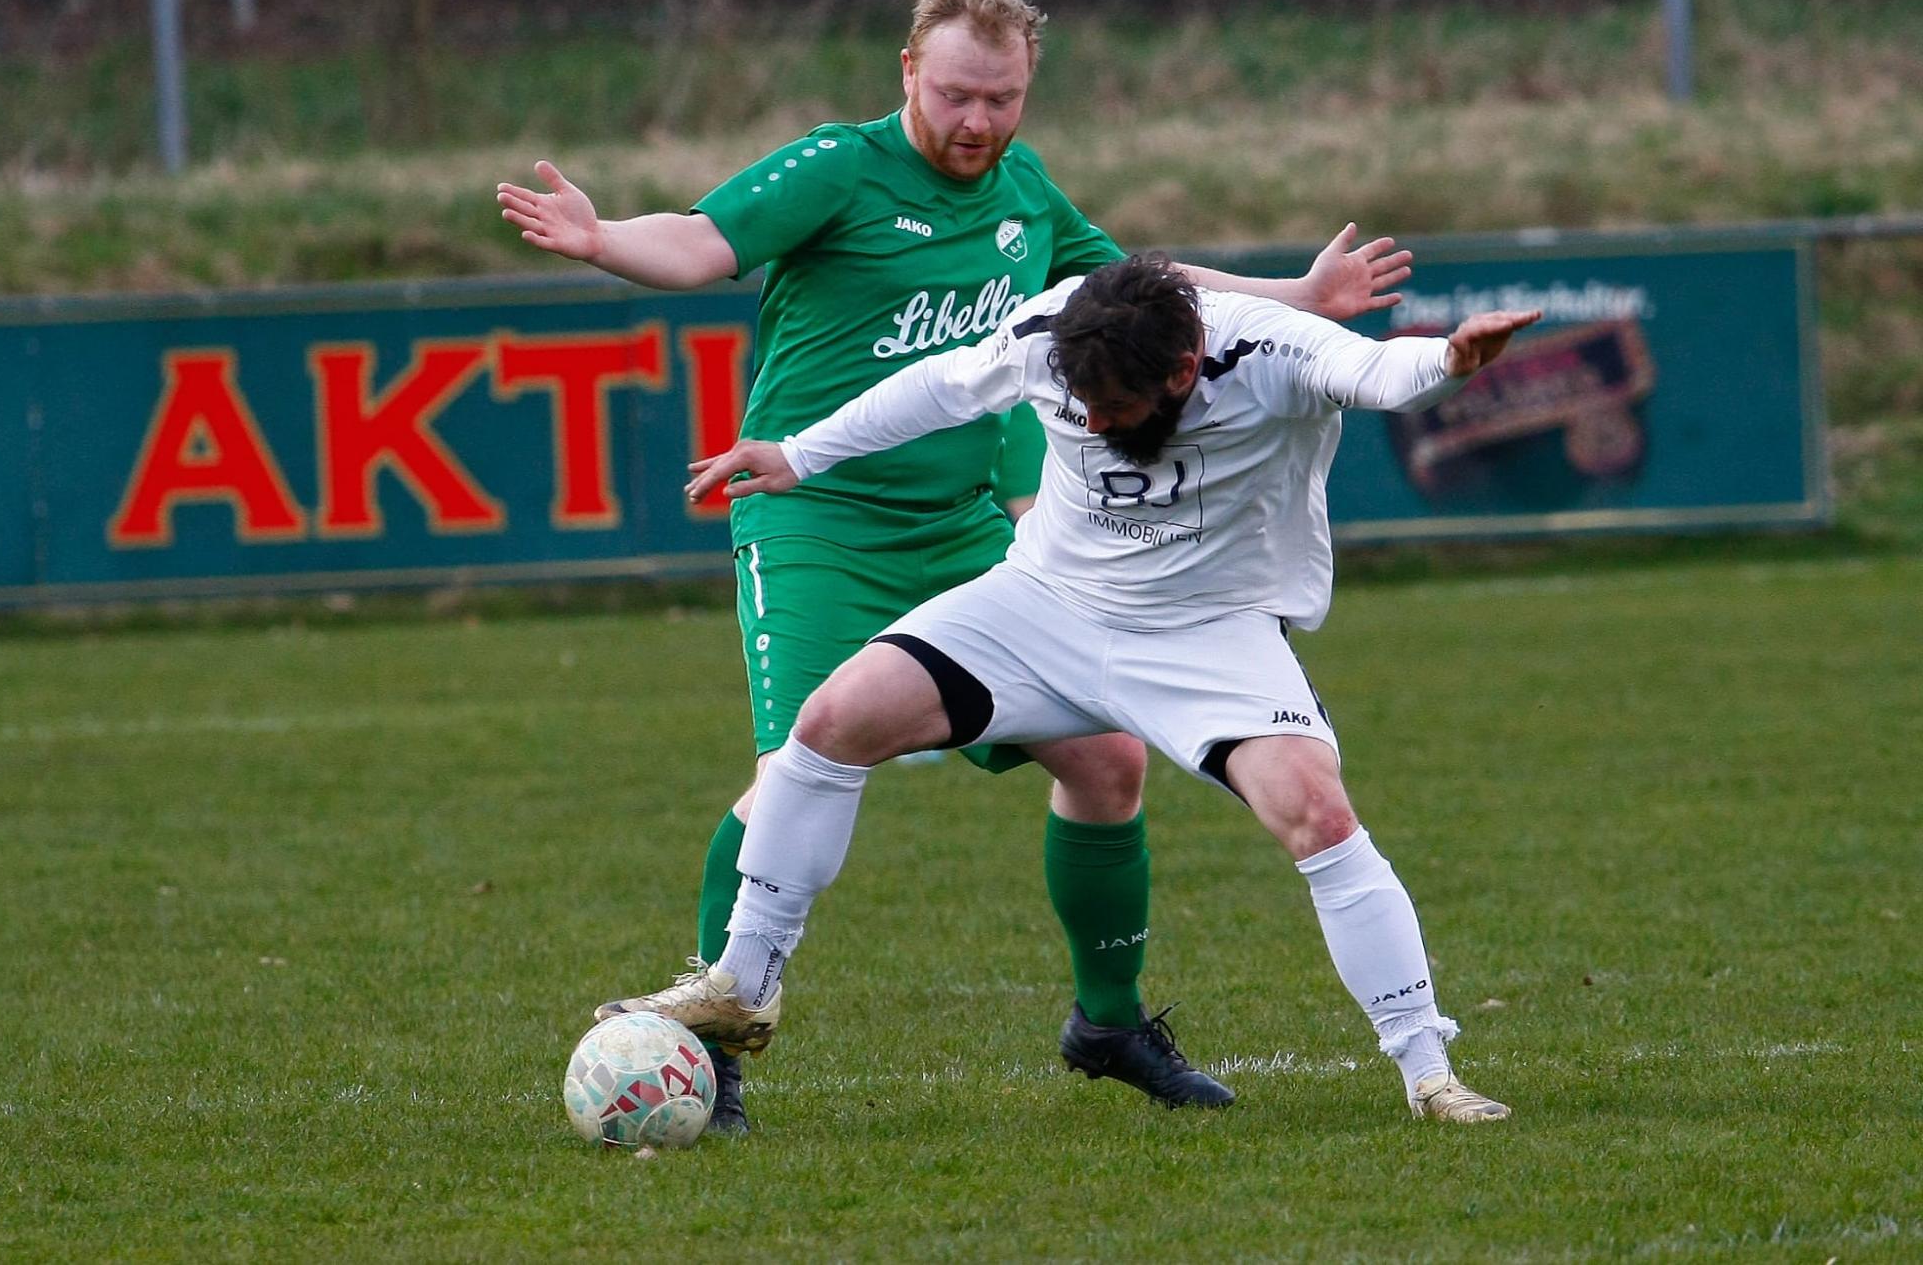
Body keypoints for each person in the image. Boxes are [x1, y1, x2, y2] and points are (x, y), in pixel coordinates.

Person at [498, 0, 1412, 1130]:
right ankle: (717, 1044)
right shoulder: (838, 167)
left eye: (1000, 98)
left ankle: (1108, 1023)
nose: (977, 121)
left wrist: (1295, 292)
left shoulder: (1023, 189)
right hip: (817, 524)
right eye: (954, 95)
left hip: (965, 528)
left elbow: (1137, 287)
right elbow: (697, 241)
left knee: (1107, 761)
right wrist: (600, 240)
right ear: (906, 74)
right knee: (793, 772)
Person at [611, 253, 1541, 1124]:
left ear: (1184, 370)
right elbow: (941, 385)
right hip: (1043, 605)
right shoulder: (1051, 330)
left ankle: (1428, 1070)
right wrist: (800, 453)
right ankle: (744, 982)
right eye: (1082, 403)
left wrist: (1450, 361)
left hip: (1208, 630)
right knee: (830, 720)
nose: (1093, 424)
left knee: (1320, 815)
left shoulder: (1271, 350)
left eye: (1117, 407)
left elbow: (1378, 371)